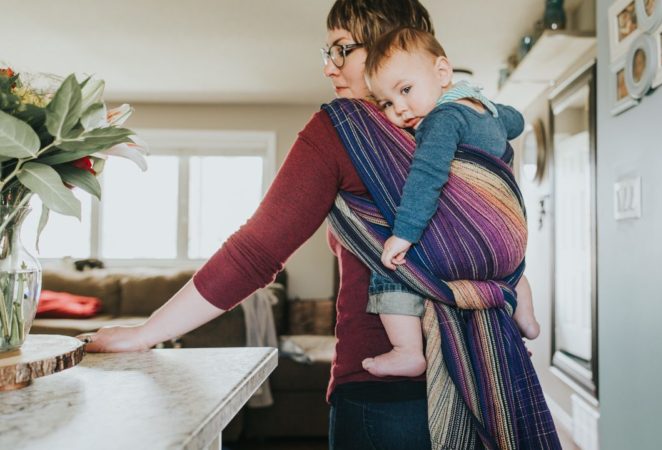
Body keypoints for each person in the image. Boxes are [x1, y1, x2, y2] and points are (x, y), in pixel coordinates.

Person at [79, 1, 558, 448]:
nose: (328, 66)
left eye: (341, 49)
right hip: (493, 370)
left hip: (384, 396)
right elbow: (499, 242)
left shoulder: (343, 129)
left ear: (386, 44)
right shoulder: (478, 127)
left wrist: (145, 334)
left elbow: (256, 251)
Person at [358, 27, 540, 378]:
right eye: (386, 103)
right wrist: (490, 108)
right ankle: (526, 319)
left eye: (406, 90)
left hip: (468, 244)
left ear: (442, 72)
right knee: (516, 270)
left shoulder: (441, 121)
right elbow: (517, 121)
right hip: (508, 245)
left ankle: (407, 350)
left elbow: (427, 175)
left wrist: (403, 234)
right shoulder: (484, 111)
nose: (400, 109)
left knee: (391, 265)